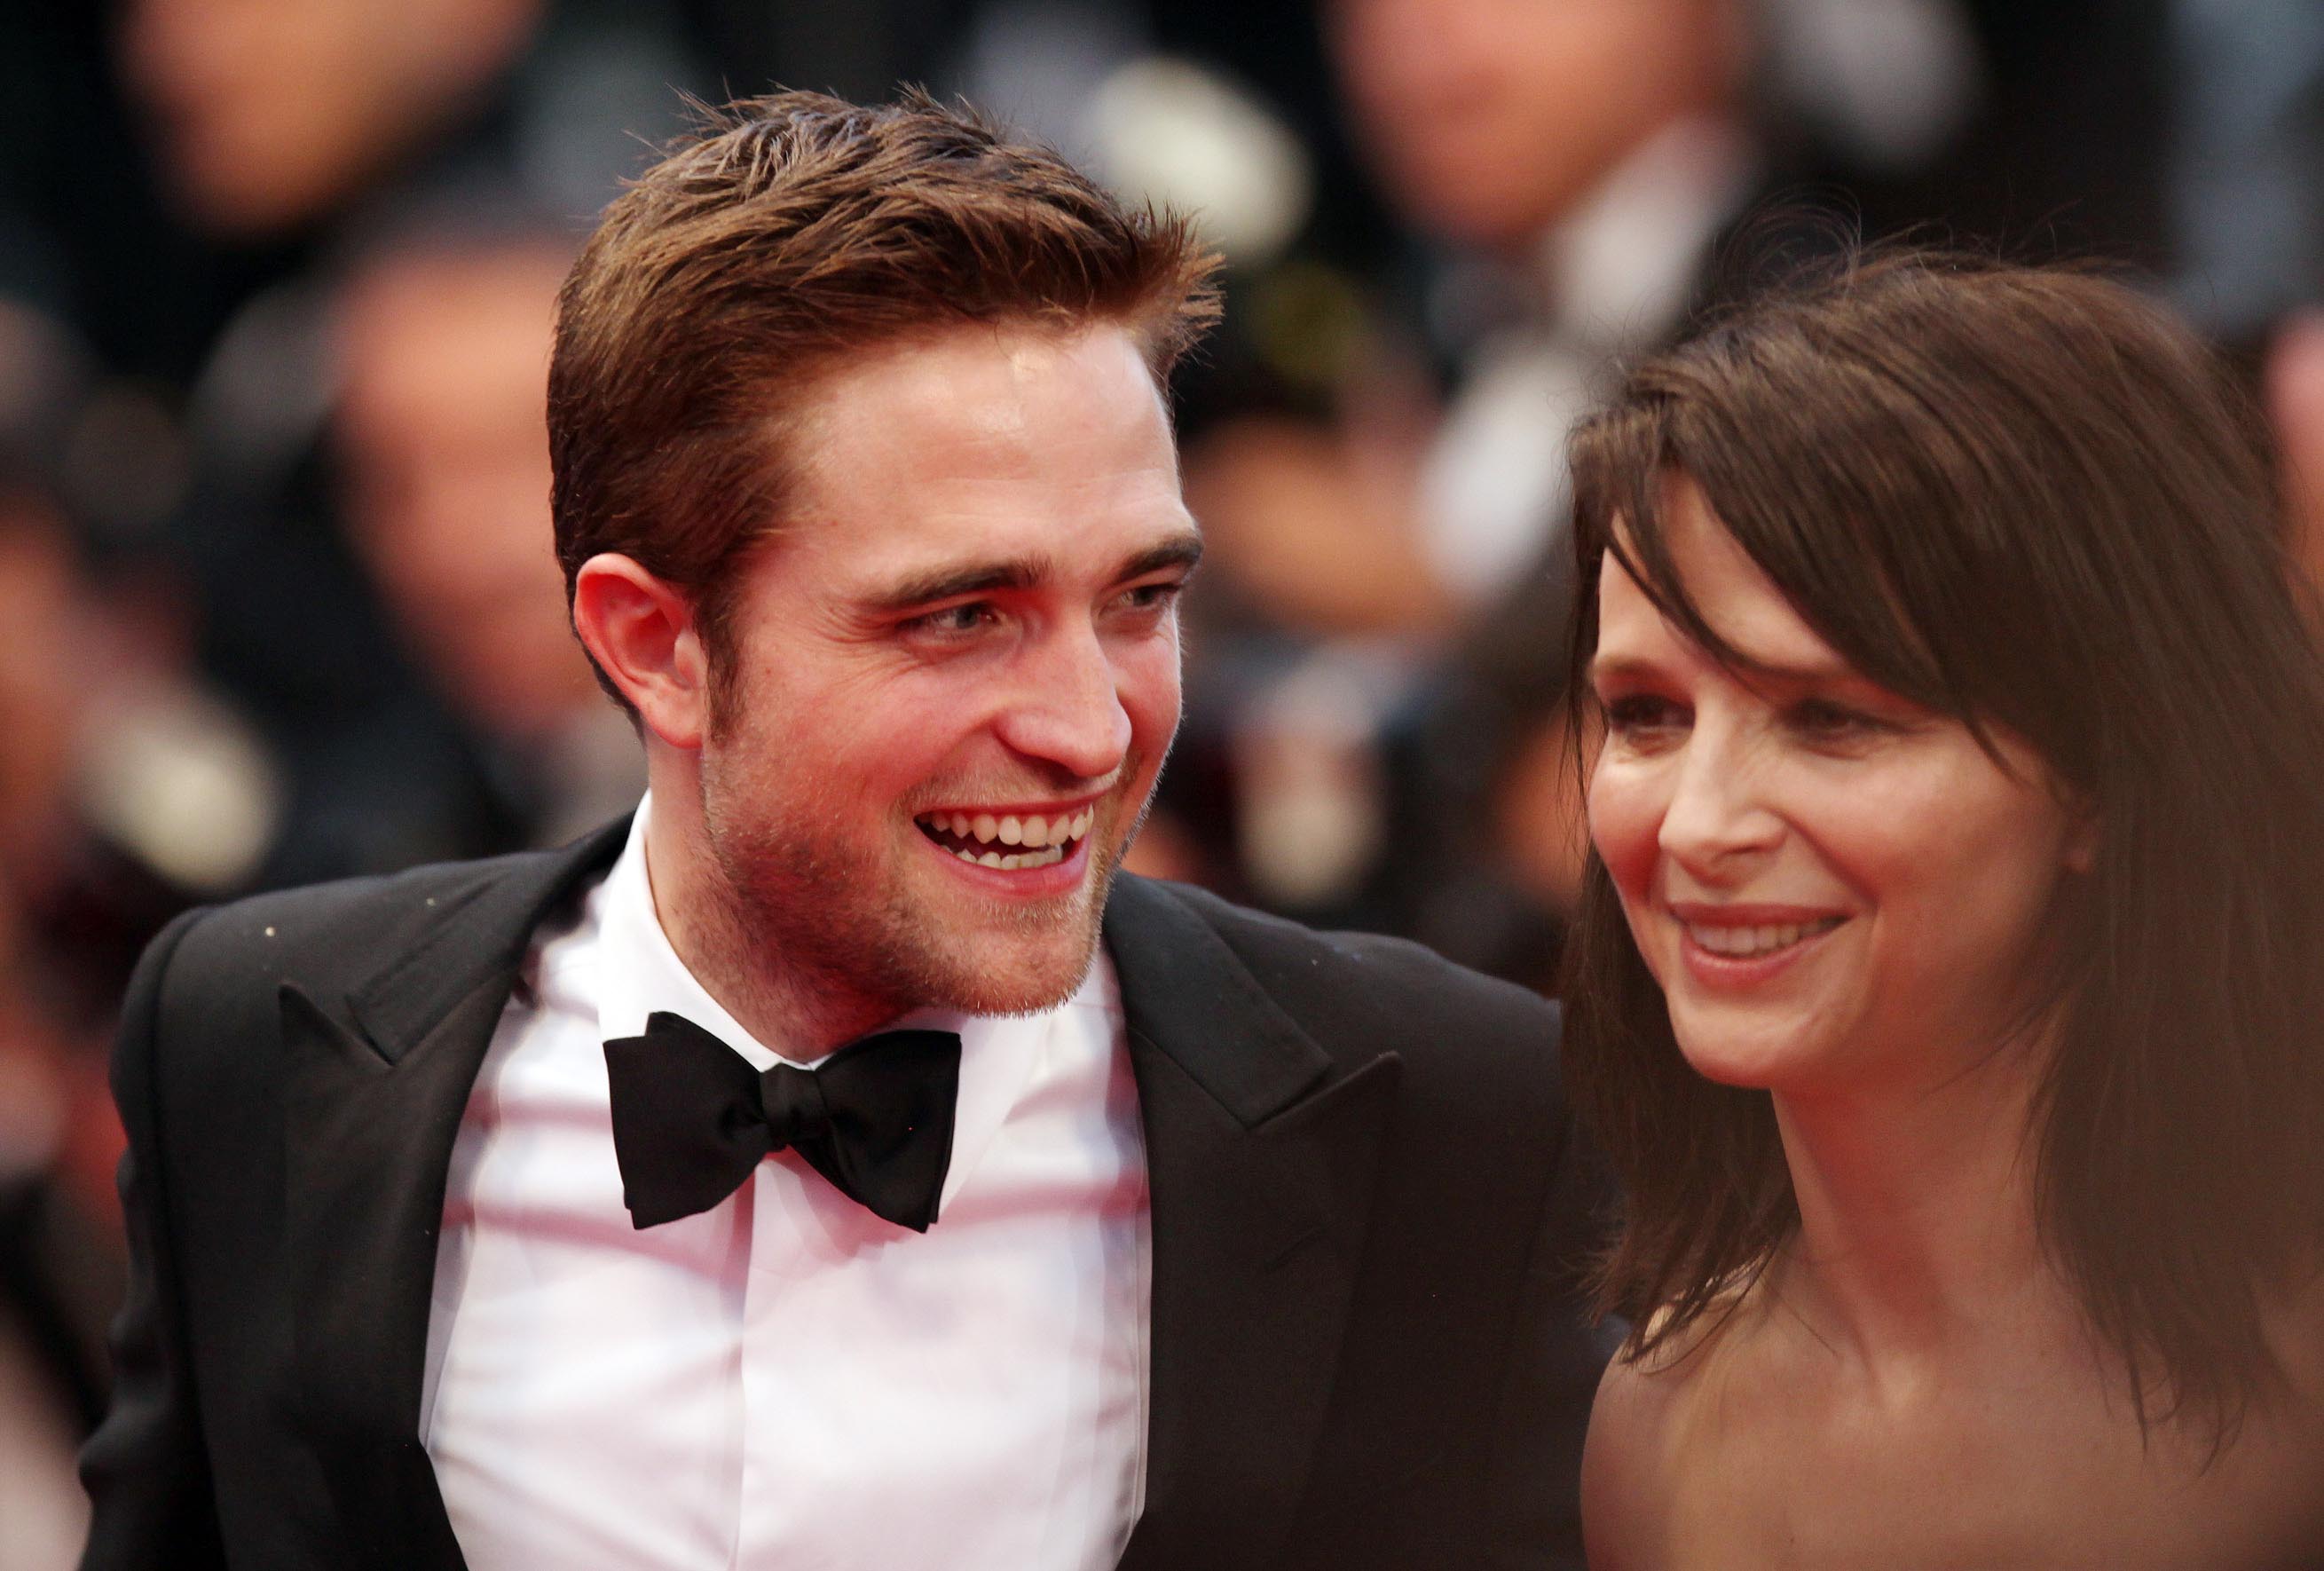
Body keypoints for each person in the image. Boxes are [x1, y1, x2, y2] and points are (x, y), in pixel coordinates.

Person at [77, 91, 1609, 1571]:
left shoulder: (1457, 1121)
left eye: (1140, 597)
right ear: (658, 646)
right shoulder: (259, 1054)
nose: (1091, 729)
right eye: (962, 615)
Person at [1564, 255, 2324, 1567]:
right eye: (1647, 715)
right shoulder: (1657, 1426)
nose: (1694, 825)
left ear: (2100, 779)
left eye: (1832, 718)